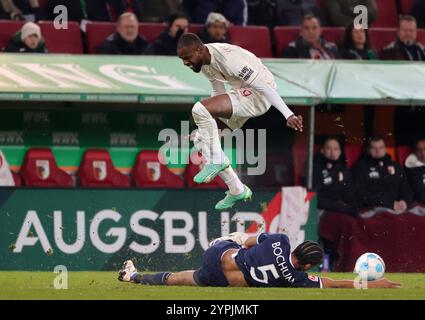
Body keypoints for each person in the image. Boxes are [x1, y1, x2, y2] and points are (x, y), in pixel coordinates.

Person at [176, 33, 303, 210]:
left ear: (199, 50)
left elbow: (263, 86)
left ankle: (216, 160)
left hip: (259, 95)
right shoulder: (204, 62)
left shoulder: (229, 58)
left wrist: (288, 114)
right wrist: (210, 120)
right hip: (243, 93)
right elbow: (218, 90)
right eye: (182, 59)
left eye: (187, 58)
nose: (185, 63)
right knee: (201, 137)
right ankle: (237, 188)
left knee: (199, 109)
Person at [117, 232, 400, 288]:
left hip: (219, 254)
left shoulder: (281, 241)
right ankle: (135, 277)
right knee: (184, 280)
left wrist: (240, 241)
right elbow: (333, 283)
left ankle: (133, 276)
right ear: (309, 265)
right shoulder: (297, 279)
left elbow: (254, 239)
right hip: (225, 280)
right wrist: (372, 285)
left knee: (241, 240)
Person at [352, 136, 413, 211]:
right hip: (373, 209)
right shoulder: (360, 168)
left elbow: (406, 189)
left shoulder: (395, 166)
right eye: (374, 148)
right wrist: (389, 204)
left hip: (398, 208)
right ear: (368, 150)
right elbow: (360, 194)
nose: (378, 151)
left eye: (381, 148)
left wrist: (405, 202)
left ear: (385, 149)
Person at [313, 137, 358, 215]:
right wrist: (340, 208)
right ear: (322, 151)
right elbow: (316, 199)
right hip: (322, 210)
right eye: (329, 148)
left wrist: (353, 210)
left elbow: (350, 194)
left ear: (340, 152)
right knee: (348, 223)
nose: (332, 152)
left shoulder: (343, 169)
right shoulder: (315, 168)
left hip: (340, 210)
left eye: (336, 149)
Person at [182, 0, 247, 26]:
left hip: (227, 43)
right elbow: (185, 10)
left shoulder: (238, 2)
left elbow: (240, 27)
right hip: (198, 38)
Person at [405, 139, 425, 204]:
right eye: (419, 149)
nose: (423, 153)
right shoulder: (411, 168)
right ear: (415, 152)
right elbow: (420, 194)